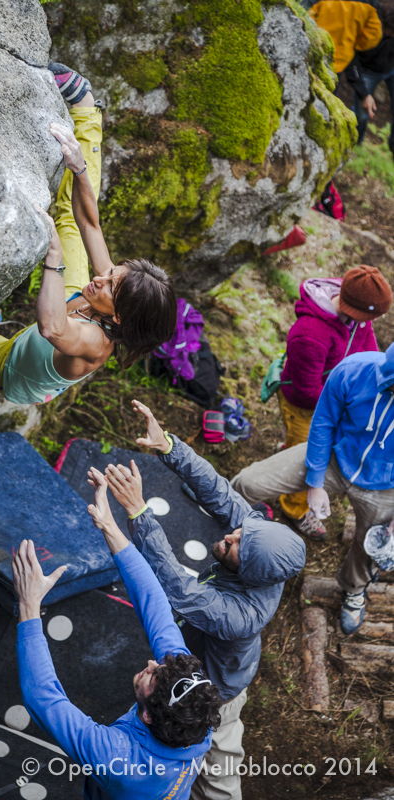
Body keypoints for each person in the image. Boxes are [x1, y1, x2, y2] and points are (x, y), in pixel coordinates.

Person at [101, 399, 306, 800]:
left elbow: (178, 588)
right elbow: (218, 491)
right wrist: (169, 447)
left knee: (217, 773)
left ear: (249, 571)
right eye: (239, 533)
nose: (229, 536)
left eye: (234, 547)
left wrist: (139, 512)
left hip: (217, 690)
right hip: (200, 654)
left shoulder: (241, 616)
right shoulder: (257, 540)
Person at [0, 63, 176, 405]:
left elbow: (52, 328)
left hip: (12, 368)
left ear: (118, 318)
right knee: (70, 219)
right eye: (113, 271)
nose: (102, 276)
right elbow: (89, 224)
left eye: (110, 283)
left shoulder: (96, 344)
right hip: (69, 302)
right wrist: (80, 168)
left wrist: (53, 257)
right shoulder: (107, 290)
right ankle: (86, 110)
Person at [12, 474, 222, 800]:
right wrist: (110, 526)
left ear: (149, 715)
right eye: (160, 666)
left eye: (152, 676)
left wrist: (28, 605)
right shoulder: (193, 711)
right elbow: (156, 610)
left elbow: (43, 698)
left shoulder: (118, 760)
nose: (152, 663)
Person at [231, 342, 394, 636]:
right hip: (334, 456)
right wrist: (316, 481)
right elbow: (323, 422)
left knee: (374, 543)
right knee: (248, 482)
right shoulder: (355, 370)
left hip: (386, 482)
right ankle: (218, 516)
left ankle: (354, 589)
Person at [276, 265, 392, 541]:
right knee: (306, 454)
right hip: (305, 405)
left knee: (304, 441)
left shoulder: (358, 316)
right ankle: (294, 510)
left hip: (334, 393)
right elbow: (307, 392)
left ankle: (289, 444)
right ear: (354, 307)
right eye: (369, 318)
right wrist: (345, 406)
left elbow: (369, 351)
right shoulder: (310, 334)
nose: (369, 324)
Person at [308, 0, 383, 120]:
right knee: (325, 105)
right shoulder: (370, 4)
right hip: (339, 61)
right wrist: (352, 45)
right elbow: (373, 37)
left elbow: (305, 18)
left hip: (311, 53)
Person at [348, 2, 394, 154]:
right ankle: (355, 145)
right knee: (362, 113)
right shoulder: (366, 26)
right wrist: (364, 94)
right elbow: (350, 60)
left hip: (391, 69)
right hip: (367, 71)